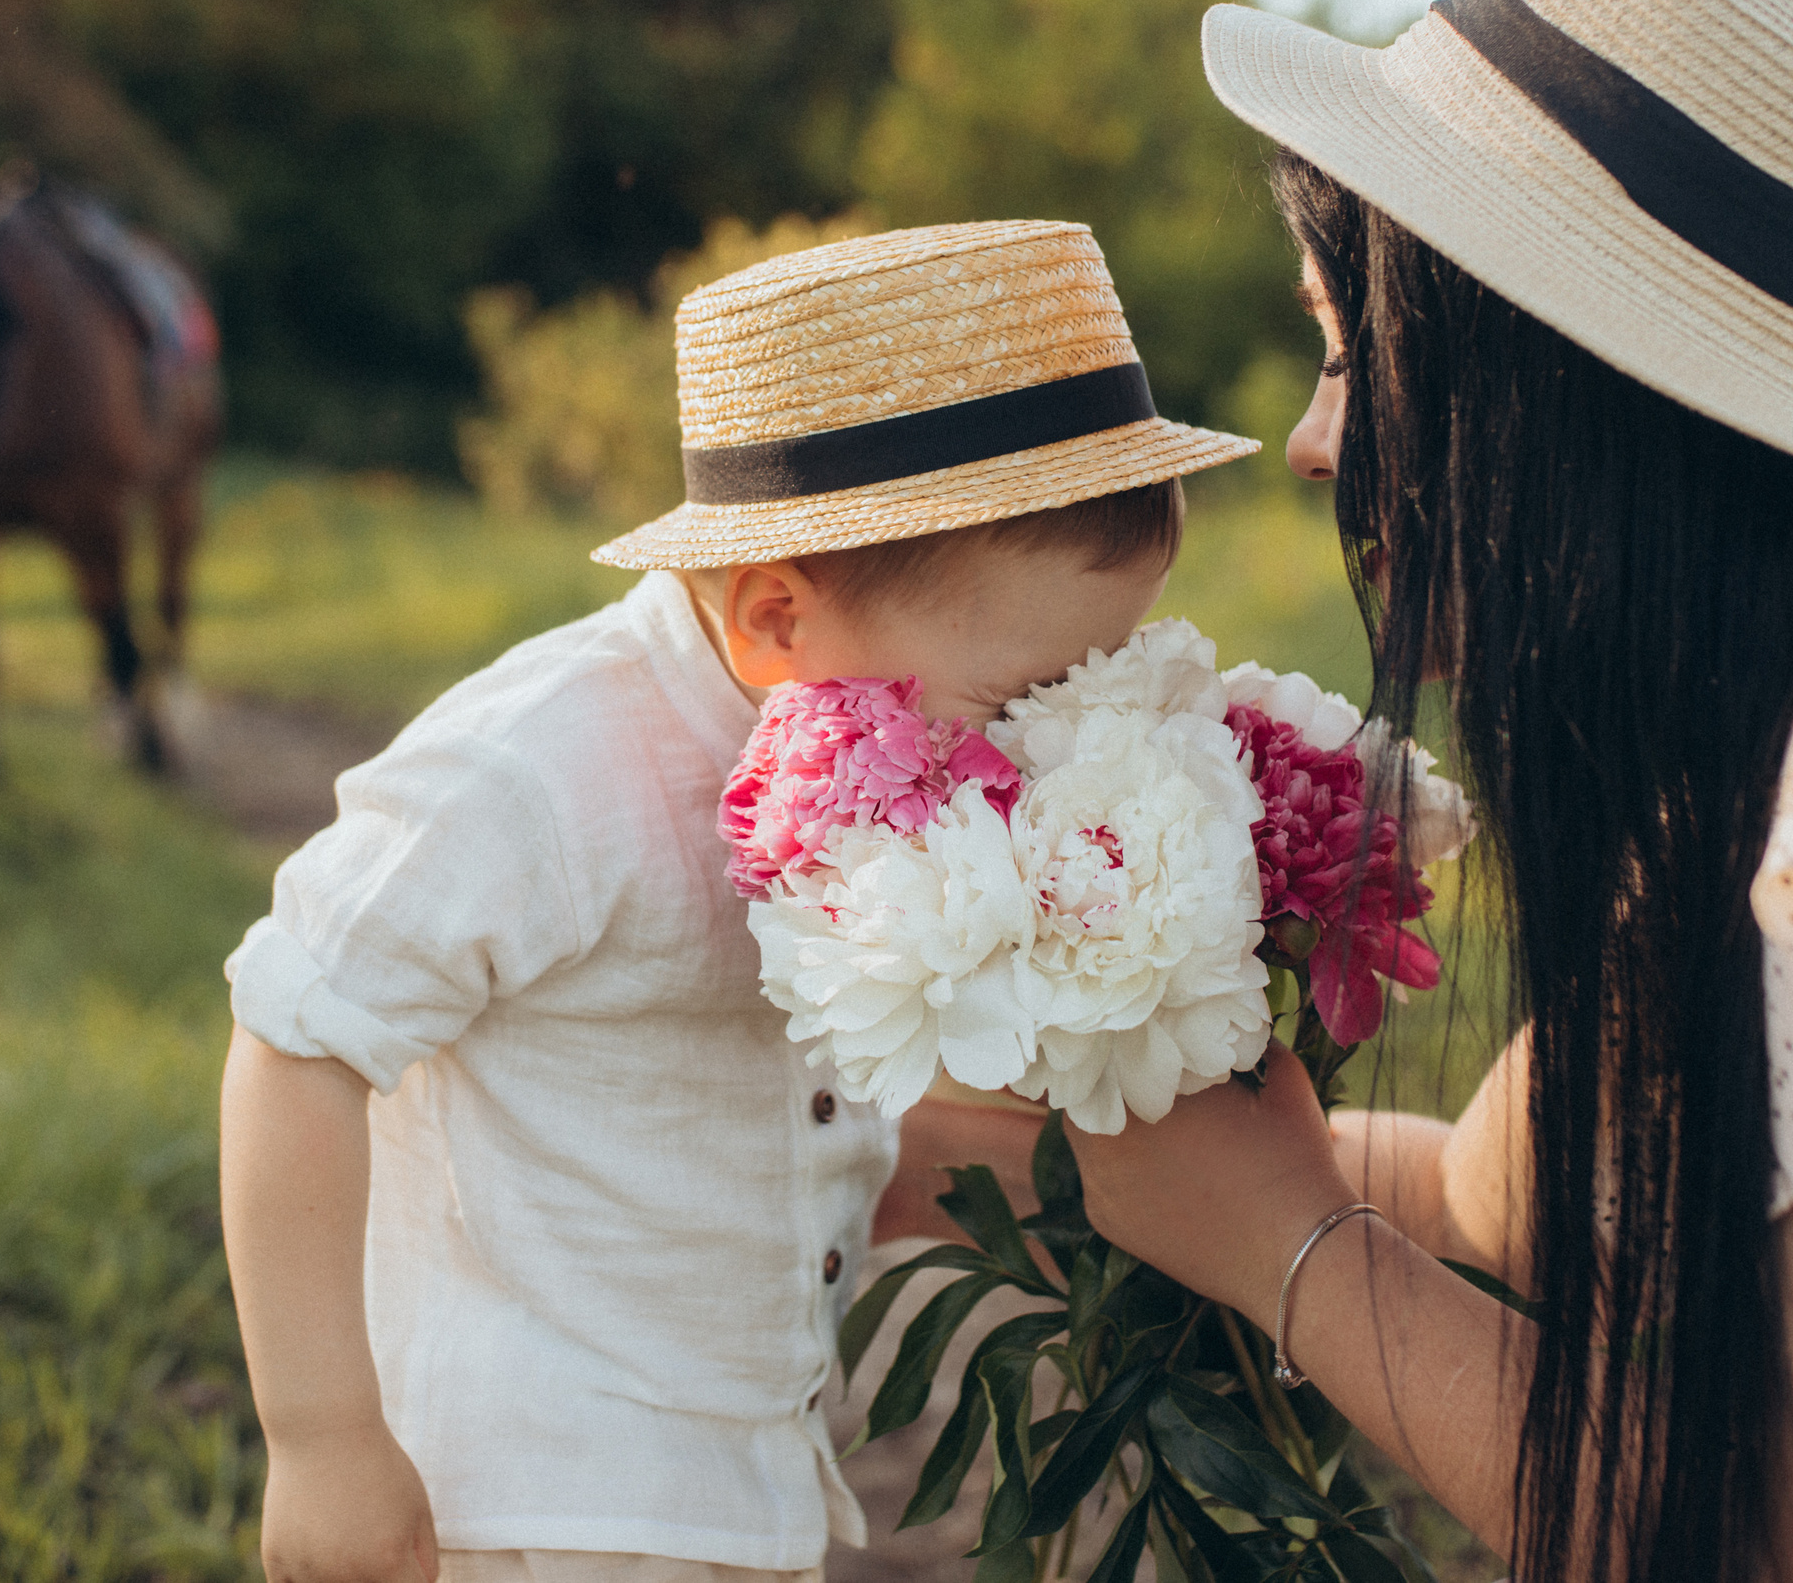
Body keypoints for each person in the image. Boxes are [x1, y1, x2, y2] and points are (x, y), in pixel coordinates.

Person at [1068, 0, 1793, 1582]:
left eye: (1346, 349)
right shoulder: (1739, 769)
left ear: (1547, 386)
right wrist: (1036, 1120)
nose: (1316, 444)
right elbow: (1490, 1193)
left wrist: (1291, 1250)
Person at [219, 220, 1259, 1583]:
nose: (1038, 753)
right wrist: (322, 1439)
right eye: (1015, 704)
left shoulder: (871, 756)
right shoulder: (542, 769)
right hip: (535, 1497)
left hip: (740, 1491)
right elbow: (300, 1034)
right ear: (775, 619)